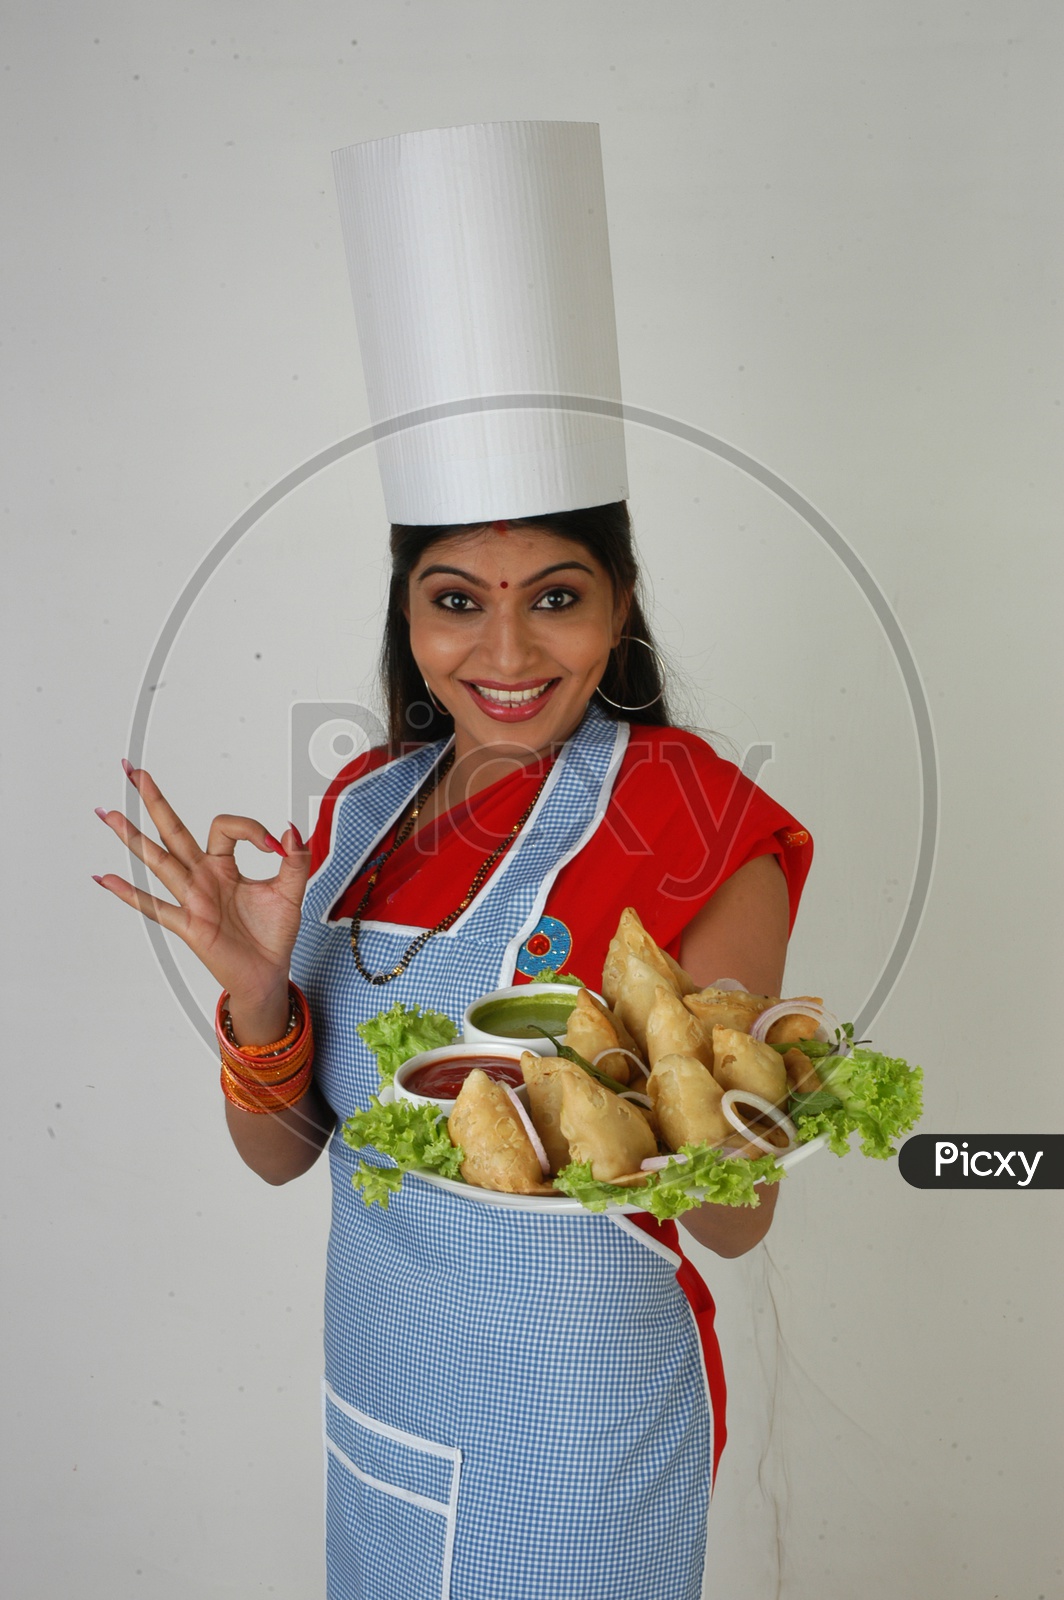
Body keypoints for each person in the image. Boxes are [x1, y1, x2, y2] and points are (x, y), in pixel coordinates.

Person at [93, 499, 812, 1600]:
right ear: (409, 614)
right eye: (457, 602)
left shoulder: (692, 815)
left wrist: (685, 1082)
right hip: (382, 1391)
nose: (507, 651)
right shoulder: (364, 804)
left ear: (618, 606)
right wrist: (257, 993)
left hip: (572, 1429)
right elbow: (281, 1155)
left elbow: (733, 1216)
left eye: (556, 599)